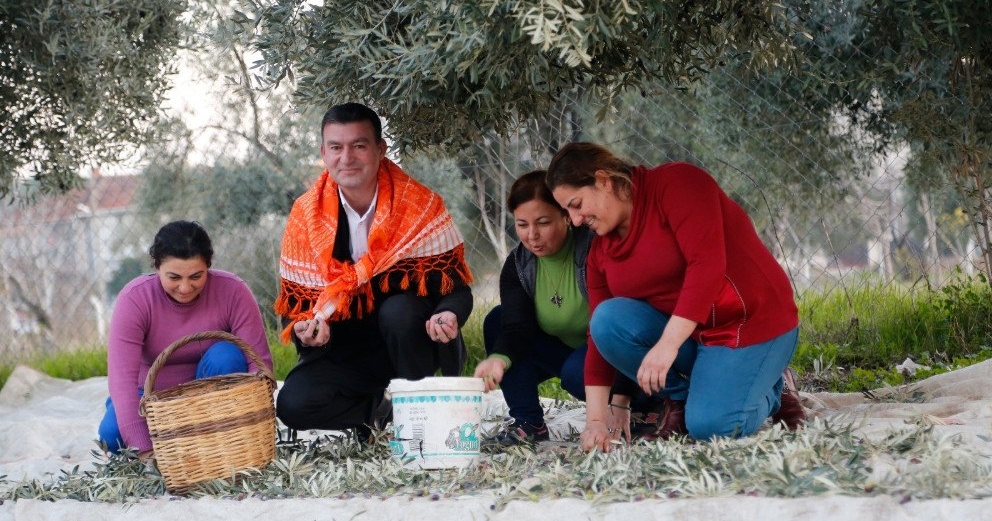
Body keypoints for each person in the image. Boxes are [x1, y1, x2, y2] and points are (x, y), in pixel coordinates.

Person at [546, 142, 806, 452]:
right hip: (695, 336)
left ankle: (773, 389)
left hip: (752, 324)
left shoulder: (678, 184)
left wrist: (667, 345)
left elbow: (706, 265)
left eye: (576, 204)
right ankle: (681, 401)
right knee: (606, 321)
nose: (574, 220)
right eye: (567, 211)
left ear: (603, 180)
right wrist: (595, 423)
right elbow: (600, 338)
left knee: (712, 428)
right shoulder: (599, 251)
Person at [273, 102, 474, 439]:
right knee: (293, 405)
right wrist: (307, 332)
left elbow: (456, 289)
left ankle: (421, 414)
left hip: (412, 342)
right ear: (324, 152)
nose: (346, 157)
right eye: (336, 147)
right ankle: (380, 412)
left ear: (380, 149)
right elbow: (298, 308)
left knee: (398, 310)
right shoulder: (304, 216)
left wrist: (449, 314)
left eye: (359, 145)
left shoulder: (421, 205)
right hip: (348, 348)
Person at [100, 220, 274, 455]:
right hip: (150, 397)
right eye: (174, 277)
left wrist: (255, 421)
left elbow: (259, 366)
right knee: (112, 437)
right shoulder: (135, 299)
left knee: (228, 354)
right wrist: (144, 449)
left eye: (196, 276)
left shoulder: (233, 291)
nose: (185, 288)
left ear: (208, 266)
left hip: (209, 395)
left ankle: (215, 441)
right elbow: (122, 381)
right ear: (156, 266)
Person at [473, 170, 592, 444]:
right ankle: (528, 422)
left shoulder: (591, 249)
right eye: (522, 224)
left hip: (602, 354)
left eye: (543, 222)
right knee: (497, 319)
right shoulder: (518, 264)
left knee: (578, 372)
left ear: (566, 215)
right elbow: (517, 327)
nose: (532, 235)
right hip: (561, 352)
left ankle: (645, 406)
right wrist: (498, 359)